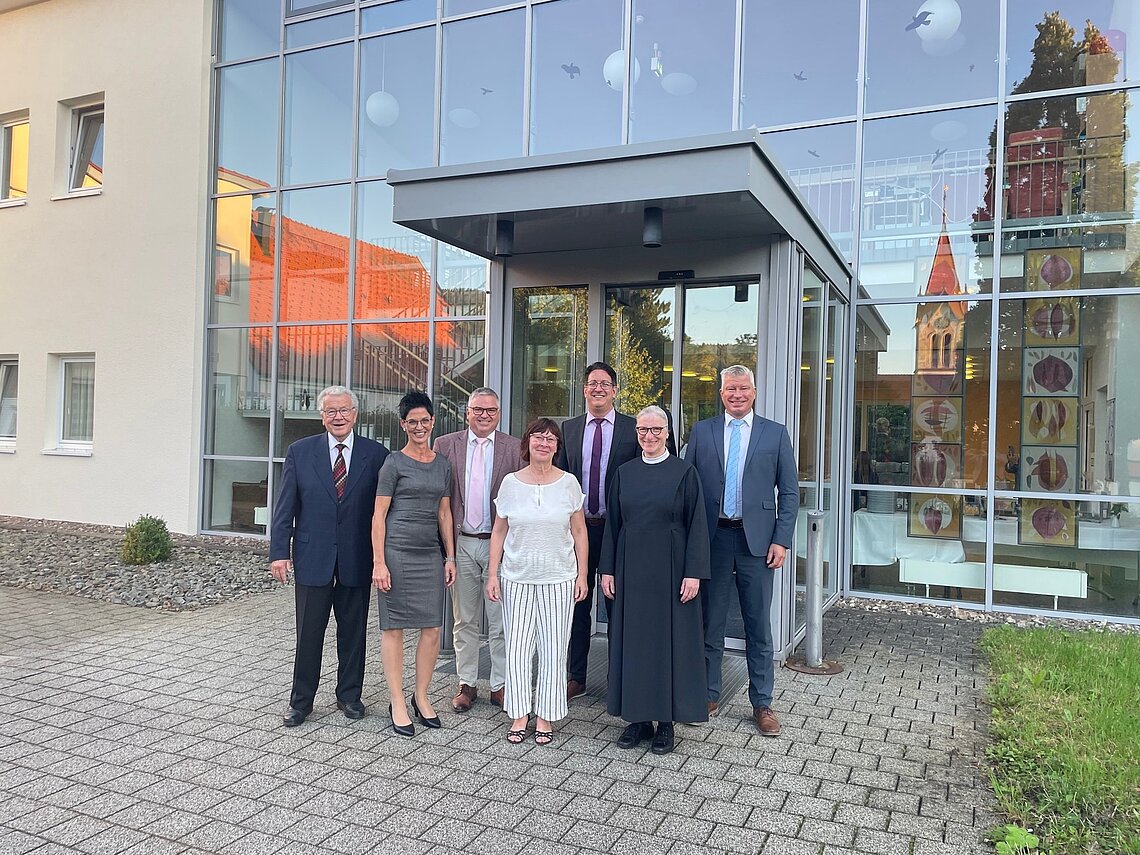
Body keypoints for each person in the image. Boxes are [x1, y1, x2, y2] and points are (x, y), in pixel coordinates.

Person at [270, 385, 389, 728]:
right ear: (322, 416)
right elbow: (285, 507)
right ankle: (300, 702)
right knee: (308, 634)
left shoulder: (376, 454)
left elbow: (381, 512)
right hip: (313, 557)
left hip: (356, 557)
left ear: (355, 414)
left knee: (353, 633)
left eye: (344, 410)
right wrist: (279, 552)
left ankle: (349, 696)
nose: (338, 417)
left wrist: (384, 556)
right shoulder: (300, 452)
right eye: (331, 411)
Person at [688, 365, 797, 737]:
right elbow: (688, 487)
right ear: (721, 393)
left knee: (758, 626)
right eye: (730, 389)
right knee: (710, 622)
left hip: (758, 544)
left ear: (754, 391)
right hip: (713, 539)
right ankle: (707, 694)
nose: (736, 394)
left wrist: (781, 540)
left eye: (743, 388)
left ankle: (762, 703)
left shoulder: (775, 434)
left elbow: (791, 493)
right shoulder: (702, 432)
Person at [600, 405, 710, 755]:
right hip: (631, 569)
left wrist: (694, 572)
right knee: (634, 643)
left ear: (668, 432)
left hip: (672, 570)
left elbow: (697, 525)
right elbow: (613, 526)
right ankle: (637, 719)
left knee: (668, 643)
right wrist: (607, 569)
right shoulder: (624, 473)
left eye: (656, 430)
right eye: (643, 430)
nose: (649, 436)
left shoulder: (684, 472)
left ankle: (665, 723)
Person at [487, 419, 588, 745]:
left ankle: (545, 714)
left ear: (557, 447)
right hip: (516, 577)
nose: (544, 443)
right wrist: (492, 573)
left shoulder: (569, 483)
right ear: (527, 443)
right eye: (537, 437)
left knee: (554, 649)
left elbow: (579, 532)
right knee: (517, 648)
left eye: (550, 439)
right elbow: (499, 531)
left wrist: (583, 574)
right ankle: (519, 713)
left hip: (559, 578)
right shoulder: (510, 483)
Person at [553, 362, 640, 701]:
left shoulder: (633, 429)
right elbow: (561, 479)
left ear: (615, 390)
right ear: (584, 389)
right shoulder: (569, 428)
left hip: (618, 531)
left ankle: (618, 677)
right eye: (592, 383)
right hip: (579, 532)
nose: (598, 388)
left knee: (619, 602)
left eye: (605, 383)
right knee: (578, 603)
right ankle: (576, 676)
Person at [372, 391, 456, 738]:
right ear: (403, 425)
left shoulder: (443, 464)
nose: (419, 427)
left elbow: (444, 512)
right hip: (397, 552)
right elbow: (378, 515)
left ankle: (421, 696)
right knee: (394, 628)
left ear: (433, 421)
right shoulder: (393, 463)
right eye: (412, 422)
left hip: (428, 554)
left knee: (432, 629)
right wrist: (379, 561)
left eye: (424, 420)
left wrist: (449, 556)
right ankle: (397, 701)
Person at [434, 387, 523, 713]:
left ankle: (500, 685)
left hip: (499, 546)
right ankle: (467, 683)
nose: (485, 415)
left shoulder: (514, 448)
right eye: (478, 409)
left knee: (501, 621)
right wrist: (447, 553)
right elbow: (440, 499)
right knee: (464, 619)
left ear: (498, 413)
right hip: (462, 543)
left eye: (491, 410)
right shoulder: (445, 445)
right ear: (467, 412)